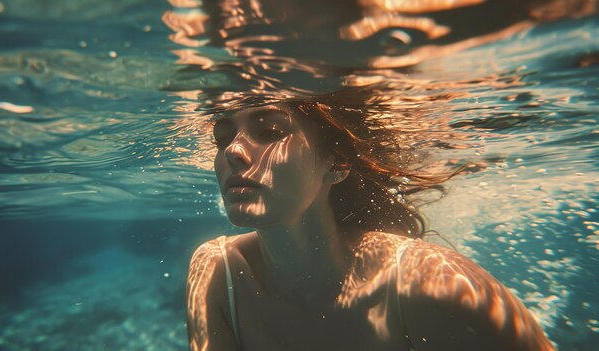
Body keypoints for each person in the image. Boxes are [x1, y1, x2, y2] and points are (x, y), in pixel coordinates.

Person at [185, 98, 556, 351]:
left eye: (269, 130)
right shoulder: (218, 272)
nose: (232, 150)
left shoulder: (430, 286)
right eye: (223, 136)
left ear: (337, 164)